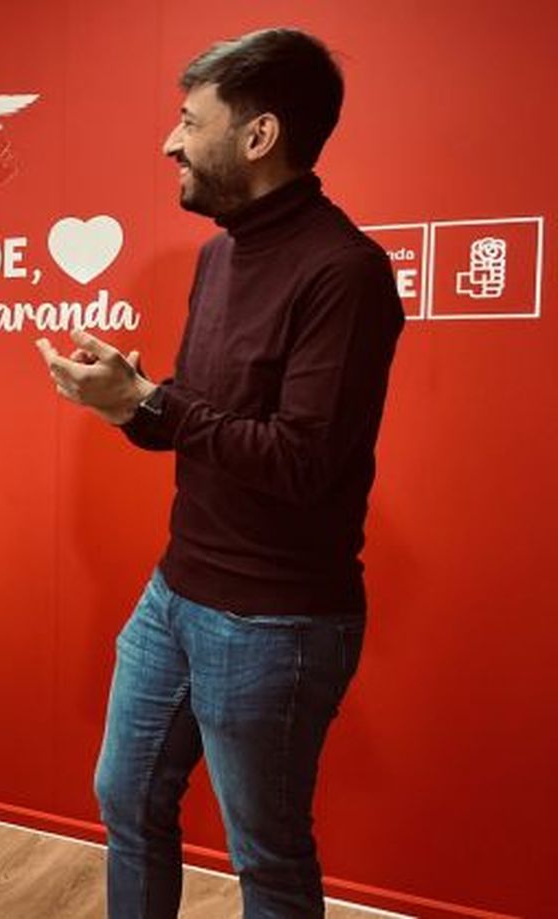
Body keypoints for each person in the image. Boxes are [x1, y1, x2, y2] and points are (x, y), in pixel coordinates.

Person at [33, 28, 404, 918]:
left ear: (258, 136)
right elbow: (197, 424)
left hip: (276, 621)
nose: (169, 141)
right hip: (177, 592)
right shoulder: (217, 254)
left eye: (188, 120)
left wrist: (151, 403)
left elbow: (302, 460)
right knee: (126, 799)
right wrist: (126, 402)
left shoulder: (345, 272)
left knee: (266, 859)